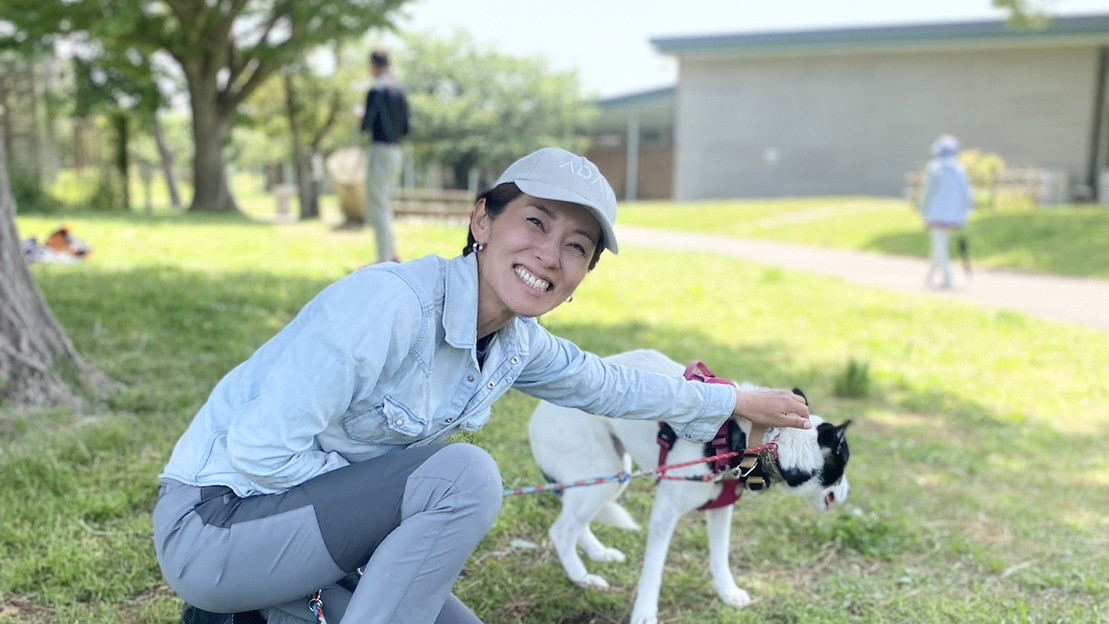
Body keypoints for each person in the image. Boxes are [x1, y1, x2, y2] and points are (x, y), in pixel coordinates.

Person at [153, 147, 813, 624]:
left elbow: (612, 386)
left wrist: (735, 401)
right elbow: (257, 458)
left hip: (302, 539)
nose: (550, 255)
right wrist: (341, 573)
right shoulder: (388, 306)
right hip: (218, 527)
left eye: (577, 246)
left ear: (582, 274)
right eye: (534, 222)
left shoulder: (513, 341)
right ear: (481, 222)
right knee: (464, 476)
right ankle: (267, 609)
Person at [360, 48, 410, 262]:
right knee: (384, 204)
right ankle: (391, 253)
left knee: (377, 207)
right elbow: (407, 128)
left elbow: (366, 124)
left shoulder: (377, 90)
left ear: (373, 65)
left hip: (380, 151)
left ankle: (384, 259)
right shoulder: (400, 91)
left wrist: (359, 116)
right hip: (396, 152)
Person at [919, 134, 974, 289]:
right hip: (954, 215)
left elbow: (928, 193)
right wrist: (966, 212)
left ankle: (948, 277)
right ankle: (930, 276)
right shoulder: (960, 170)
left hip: (936, 214)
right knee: (940, 245)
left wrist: (923, 210)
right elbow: (966, 194)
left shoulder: (934, 168)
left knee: (939, 245)